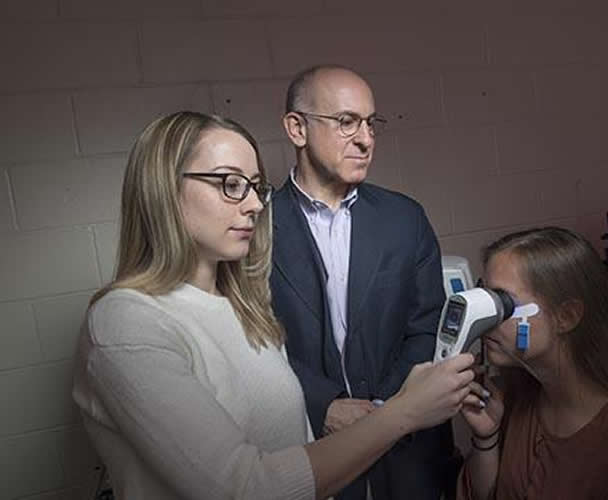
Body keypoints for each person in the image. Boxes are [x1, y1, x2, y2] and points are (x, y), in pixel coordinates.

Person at [71, 111, 478, 500]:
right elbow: (245, 489)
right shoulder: (126, 322)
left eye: (255, 186)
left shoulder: (244, 306)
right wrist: (404, 412)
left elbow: (296, 450)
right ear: (163, 189)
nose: (254, 205)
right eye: (230, 184)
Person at [271, 65, 456, 500]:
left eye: (371, 123)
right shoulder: (254, 230)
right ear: (297, 128)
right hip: (309, 447)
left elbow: (428, 325)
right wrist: (323, 406)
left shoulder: (405, 219)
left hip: (407, 453)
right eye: (346, 122)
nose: (366, 139)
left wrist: (387, 412)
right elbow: (250, 341)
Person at [457, 227, 608, 500]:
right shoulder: (515, 396)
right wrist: (486, 439)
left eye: (502, 304)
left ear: (567, 317)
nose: (485, 320)